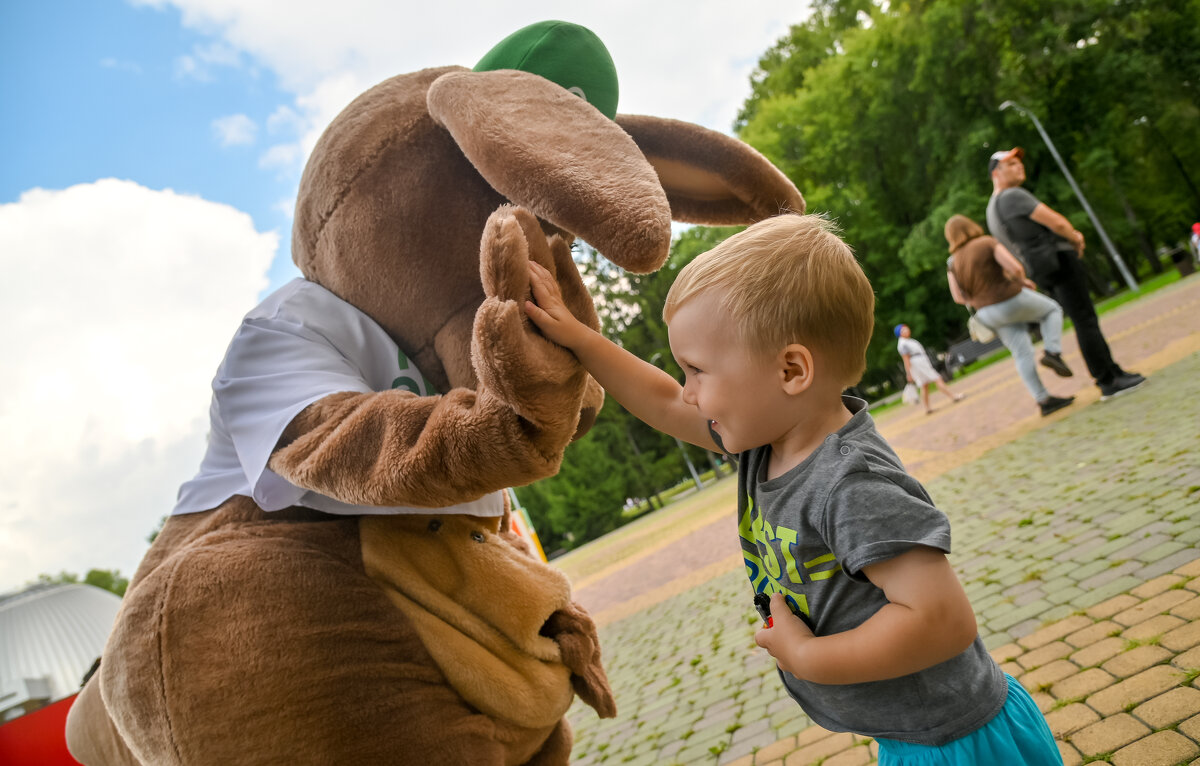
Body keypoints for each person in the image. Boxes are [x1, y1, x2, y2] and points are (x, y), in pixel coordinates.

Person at [524, 214, 1062, 764]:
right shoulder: (766, 442)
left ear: (790, 371)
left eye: (697, 371)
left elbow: (942, 621)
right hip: (913, 735)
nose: (687, 394)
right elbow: (660, 401)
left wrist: (808, 658)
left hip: (957, 744)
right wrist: (577, 338)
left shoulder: (851, 480)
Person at [986, 147, 1145, 400]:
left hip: (1041, 267)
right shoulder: (1013, 196)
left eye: (1019, 163)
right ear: (996, 172)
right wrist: (1076, 237)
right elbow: (1056, 222)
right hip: (1058, 258)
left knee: (1079, 318)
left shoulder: (992, 209)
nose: (1020, 167)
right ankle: (1108, 378)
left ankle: (1108, 372)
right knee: (1086, 319)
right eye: (1012, 164)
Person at [944, 214, 1076, 416]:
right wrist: (1023, 282)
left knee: (1021, 353)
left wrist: (978, 299)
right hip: (1008, 298)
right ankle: (1052, 352)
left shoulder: (952, 262)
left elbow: (957, 297)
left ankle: (1044, 400)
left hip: (987, 314)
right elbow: (1015, 268)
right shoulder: (986, 243)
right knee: (1052, 310)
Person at [893, 323, 964, 414]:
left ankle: (927, 408)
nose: (906, 331)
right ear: (899, 334)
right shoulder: (903, 344)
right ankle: (954, 396)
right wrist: (909, 373)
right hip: (918, 364)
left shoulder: (907, 341)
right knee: (937, 378)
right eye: (903, 330)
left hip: (919, 362)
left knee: (924, 385)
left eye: (906, 329)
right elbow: (906, 359)